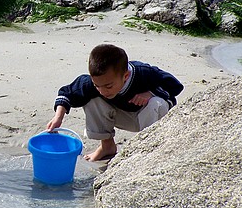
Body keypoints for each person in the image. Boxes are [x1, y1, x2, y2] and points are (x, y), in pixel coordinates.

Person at [47, 44, 183, 161]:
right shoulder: (95, 84)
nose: (102, 91)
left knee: (157, 102)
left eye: (108, 86)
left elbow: (176, 86)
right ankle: (107, 146)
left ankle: (150, 147)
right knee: (91, 98)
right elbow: (67, 93)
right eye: (97, 85)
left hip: (150, 118)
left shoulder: (144, 73)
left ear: (126, 76)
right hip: (123, 117)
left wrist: (151, 93)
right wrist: (58, 118)